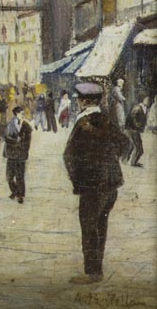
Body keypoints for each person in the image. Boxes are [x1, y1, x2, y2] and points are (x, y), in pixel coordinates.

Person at [63, 82, 129, 285]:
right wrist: (109, 160)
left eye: (79, 100)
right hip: (111, 183)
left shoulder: (83, 123)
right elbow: (125, 143)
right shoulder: (106, 120)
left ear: (83, 101)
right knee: (101, 226)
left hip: (92, 185)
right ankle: (96, 270)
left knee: (89, 227)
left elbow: (69, 155)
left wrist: (78, 180)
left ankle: (92, 272)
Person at [3, 106, 32, 204]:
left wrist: (24, 150)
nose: (23, 115)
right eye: (21, 114)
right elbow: (6, 137)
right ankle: (15, 191)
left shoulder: (26, 126)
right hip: (11, 154)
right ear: (16, 114)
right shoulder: (10, 125)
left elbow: (28, 141)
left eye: (23, 114)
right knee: (9, 177)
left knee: (20, 177)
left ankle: (20, 195)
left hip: (21, 155)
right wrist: (15, 141)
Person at [124, 96, 150, 167]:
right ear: (143, 100)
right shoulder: (137, 107)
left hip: (135, 130)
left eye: (149, 100)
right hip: (132, 129)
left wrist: (142, 127)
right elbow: (133, 117)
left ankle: (130, 161)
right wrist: (137, 125)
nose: (149, 102)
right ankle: (131, 162)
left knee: (137, 147)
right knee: (138, 148)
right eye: (147, 100)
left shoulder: (145, 109)